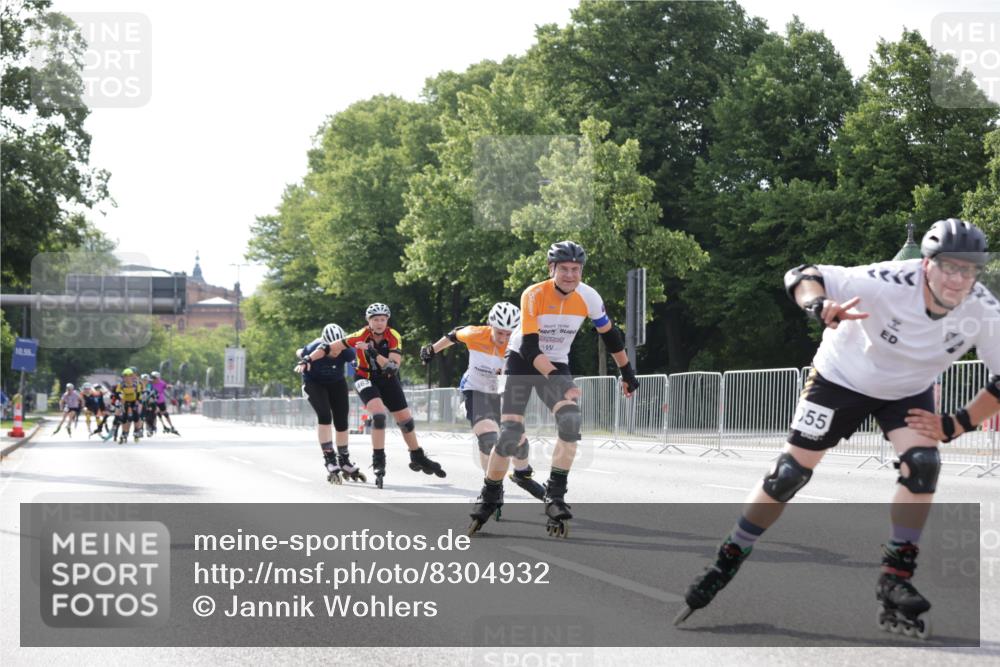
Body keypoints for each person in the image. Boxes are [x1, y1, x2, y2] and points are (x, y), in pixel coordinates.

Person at [674, 218, 998, 640]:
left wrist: (957, 424)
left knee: (923, 465)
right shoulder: (885, 281)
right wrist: (818, 305)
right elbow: (802, 275)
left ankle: (895, 574)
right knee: (788, 476)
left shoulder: (983, 309)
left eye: (968, 270)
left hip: (907, 391)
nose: (957, 280)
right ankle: (728, 558)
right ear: (925, 264)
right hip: (840, 379)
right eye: (948, 267)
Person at [467, 241, 639, 537]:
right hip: (522, 359)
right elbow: (532, 348)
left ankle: (555, 495)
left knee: (571, 421)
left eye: (576, 269)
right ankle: (490, 493)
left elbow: (611, 337)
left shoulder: (589, 297)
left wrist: (627, 372)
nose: (571, 275)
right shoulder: (533, 294)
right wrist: (560, 381)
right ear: (552, 269)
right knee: (509, 434)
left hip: (556, 361)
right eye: (564, 269)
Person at [421, 302, 546, 512]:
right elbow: (454, 334)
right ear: (490, 325)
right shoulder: (475, 334)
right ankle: (493, 486)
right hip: (476, 391)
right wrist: (432, 349)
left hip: (504, 394)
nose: (504, 338)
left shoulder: (522, 343)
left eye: (509, 334)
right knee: (489, 438)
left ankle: (522, 474)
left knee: (518, 442)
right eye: (500, 333)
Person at [334, 303, 446, 489]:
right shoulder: (359, 335)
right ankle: (378, 460)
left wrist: (372, 352)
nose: (379, 323)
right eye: (375, 320)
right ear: (368, 321)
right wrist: (309, 358)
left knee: (406, 421)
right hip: (365, 378)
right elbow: (333, 346)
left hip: (387, 378)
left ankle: (417, 455)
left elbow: (393, 367)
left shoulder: (393, 336)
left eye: (383, 319)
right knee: (378, 416)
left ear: (387, 320)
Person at [295, 323, 364, 484]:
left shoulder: (346, 350)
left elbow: (357, 362)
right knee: (325, 415)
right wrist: (302, 356)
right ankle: (330, 458)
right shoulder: (314, 348)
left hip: (336, 381)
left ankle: (344, 460)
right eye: (332, 349)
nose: (336, 351)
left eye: (338, 348)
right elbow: (300, 352)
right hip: (314, 383)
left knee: (341, 421)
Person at [149, 371, 179, 435]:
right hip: (153, 401)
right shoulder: (150, 384)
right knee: (154, 414)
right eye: (154, 378)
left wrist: (169, 386)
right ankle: (153, 427)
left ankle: (171, 426)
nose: (155, 380)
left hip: (161, 401)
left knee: (165, 414)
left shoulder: (161, 382)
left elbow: (166, 386)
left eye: (156, 378)